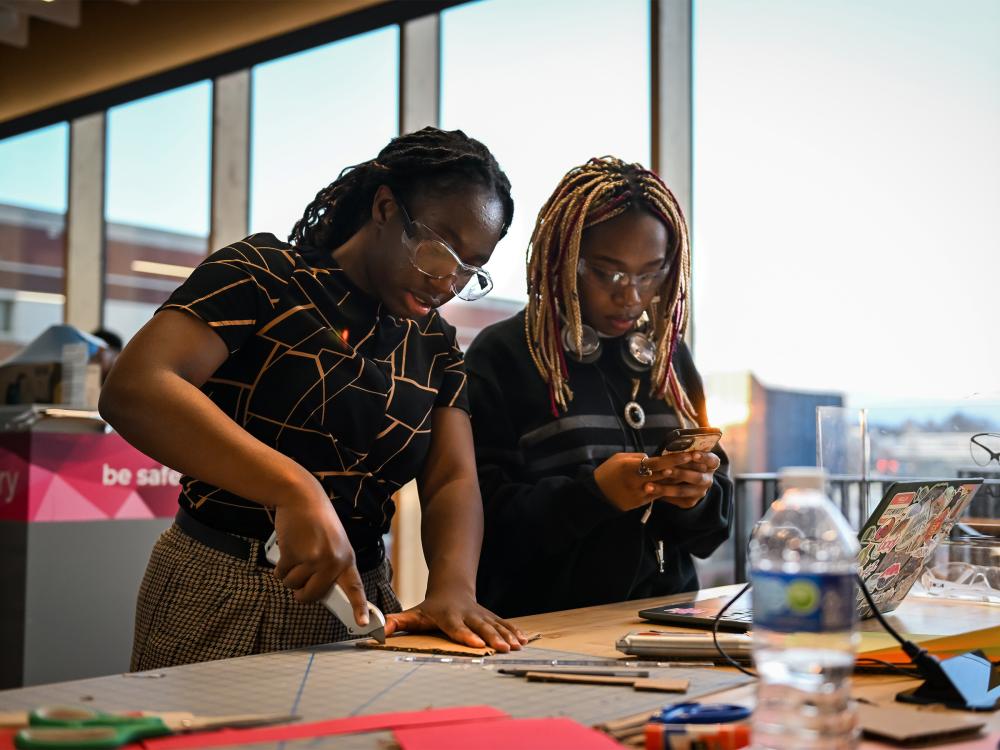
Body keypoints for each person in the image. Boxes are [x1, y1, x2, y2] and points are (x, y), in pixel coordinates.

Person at [99, 127, 528, 670]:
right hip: (224, 584)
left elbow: (452, 478)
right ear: (385, 207)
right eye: (440, 249)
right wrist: (292, 487)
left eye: (472, 266)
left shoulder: (435, 342)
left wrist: (453, 587)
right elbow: (135, 388)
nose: (448, 281)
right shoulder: (265, 274)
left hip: (364, 600)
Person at [466, 157, 734, 617]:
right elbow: (480, 524)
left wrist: (697, 494)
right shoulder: (504, 355)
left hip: (669, 622)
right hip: (547, 629)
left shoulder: (667, 358)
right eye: (609, 273)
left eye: (651, 273)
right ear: (564, 258)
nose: (631, 295)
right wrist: (595, 496)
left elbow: (712, 533)